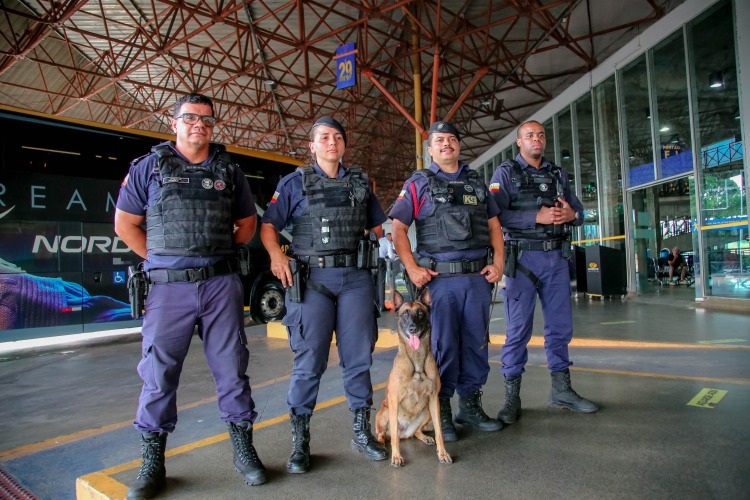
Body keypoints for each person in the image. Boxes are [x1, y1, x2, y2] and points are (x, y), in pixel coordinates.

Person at [114, 93, 266, 499]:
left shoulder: (229, 172)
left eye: (207, 120)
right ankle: (152, 463)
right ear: (175, 123)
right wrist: (163, 261)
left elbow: (247, 225)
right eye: (191, 118)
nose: (199, 124)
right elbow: (126, 225)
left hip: (220, 284)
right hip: (168, 289)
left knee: (232, 368)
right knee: (159, 374)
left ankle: (244, 450)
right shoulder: (148, 167)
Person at [260, 116, 388, 473]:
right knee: (309, 361)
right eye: (324, 138)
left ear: (344, 145)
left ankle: (362, 433)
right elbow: (268, 226)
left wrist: (364, 238)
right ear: (312, 146)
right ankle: (300, 442)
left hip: (355, 279)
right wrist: (276, 255)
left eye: (338, 137)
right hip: (312, 279)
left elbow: (377, 226)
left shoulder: (360, 183)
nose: (332, 142)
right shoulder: (293, 183)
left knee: (359, 358)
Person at [389, 120, 505, 442]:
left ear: (458, 145)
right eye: (439, 140)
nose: (446, 144)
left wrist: (498, 262)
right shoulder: (418, 183)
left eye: (452, 139)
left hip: (477, 279)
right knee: (443, 347)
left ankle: (469, 405)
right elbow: (398, 228)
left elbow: (494, 225)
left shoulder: (476, 182)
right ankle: (440, 408)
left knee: (475, 343)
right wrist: (411, 267)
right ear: (430, 149)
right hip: (439, 282)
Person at [489, 120, 597, 425]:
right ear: (519, 143)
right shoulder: (505, 173)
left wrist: (572, 215)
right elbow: (494, 216)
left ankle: (561, 390)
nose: (536, 139)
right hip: (523, 262)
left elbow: (581, 212)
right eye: (529, 136)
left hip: (556, 261)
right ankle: (512, 398)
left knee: (560, 329)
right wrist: (534, 216)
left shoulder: (558, 174)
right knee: (518, 331)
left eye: (540, 135)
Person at [376, 232, 395, 311]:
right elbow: (391, 257)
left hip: (371, 261)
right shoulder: (388, 242)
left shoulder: (379, 239)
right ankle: (382, 307)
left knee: (373, 283)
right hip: (380, 261)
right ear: (390, 237)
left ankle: (374, 306)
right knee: (381, 284)